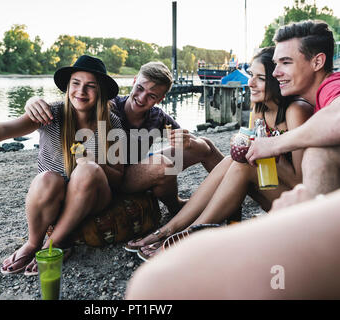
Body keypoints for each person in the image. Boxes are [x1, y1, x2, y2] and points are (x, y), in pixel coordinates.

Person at [0, 55, 125, 275]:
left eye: (91, 86)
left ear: (101, 92)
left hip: (94, 199)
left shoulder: (112, 124)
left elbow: (118, 178)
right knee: (47, 178)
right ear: (67, 86)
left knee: (88, 169)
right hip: (55, 199)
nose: (81, 91)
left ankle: (54, 243)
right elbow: (4, 129)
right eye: (76, 83)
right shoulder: (51, 113)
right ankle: (32, 242)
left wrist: (95, 163)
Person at [135, 47, 314, 261]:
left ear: (277, 79)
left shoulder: (296, 111)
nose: (250, 83)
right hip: (267, 191)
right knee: (233, 159)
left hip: (296, 203)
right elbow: (250, 149)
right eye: (251, 76)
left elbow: (303, 182)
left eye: (260, 78)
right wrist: (247, 147)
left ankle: (190, 234)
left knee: (242, 164)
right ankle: (171, 229)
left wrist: (267, 148)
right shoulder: (259, 108)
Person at [24, 61, 225, 249]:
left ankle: (233, 181)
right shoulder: (108, 107)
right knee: (164, 164)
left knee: (204, 145)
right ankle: (176, 205)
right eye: (140, 88)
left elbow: (184, 139)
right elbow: (76, 104)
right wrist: (33, 101)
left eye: (152, 96)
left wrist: (185, 139)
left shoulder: (157, 117)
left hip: (135, 168)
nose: (142, 97)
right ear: (134, 81)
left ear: (161, 98)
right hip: (112, 175)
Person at [125, 187, 340, 299]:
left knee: (156, 284)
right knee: (234, 161)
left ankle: (183, 231)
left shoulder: (303, 107)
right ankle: (175, 230)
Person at [246, 20, 340, 199]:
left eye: (286, 62)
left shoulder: (332, 86)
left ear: (317, 62)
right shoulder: (318, 97)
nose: (275, 73)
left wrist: (273, 144)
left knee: (317, 154)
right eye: (276, 63)